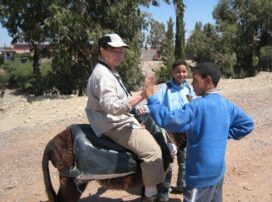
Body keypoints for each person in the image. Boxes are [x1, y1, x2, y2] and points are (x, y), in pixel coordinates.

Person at [145, 62, 255, 202]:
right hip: (218, 173)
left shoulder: (197, 107)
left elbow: (167, 119)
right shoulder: (226, 104)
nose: (191, 84)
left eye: (195, 80)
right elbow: (248, 124)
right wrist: (221, 133)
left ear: (208, 80)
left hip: (200, 177)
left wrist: (151, 98)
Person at [85, 33, 163, 201]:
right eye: (115, 51)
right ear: (102, 50)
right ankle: (150, 195)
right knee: (153, 152)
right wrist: (143, 95)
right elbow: (113, 107)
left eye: (121, 52)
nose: (119, 55)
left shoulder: (108, 71)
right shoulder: (104, 75)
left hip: (115, 120)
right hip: (114, 125)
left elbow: (120, 101)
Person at [154, 59, 195, 201]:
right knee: (167, 162)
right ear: (172, 72)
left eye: (184, 71)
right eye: (178, 71)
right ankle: (162, 191)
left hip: (185, 131)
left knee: (184, 160)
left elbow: (194, 105)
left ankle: (181, 185)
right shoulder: (166, 88)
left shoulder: (189, 88)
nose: (181, 74)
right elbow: (156, 103)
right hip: (169, 132)